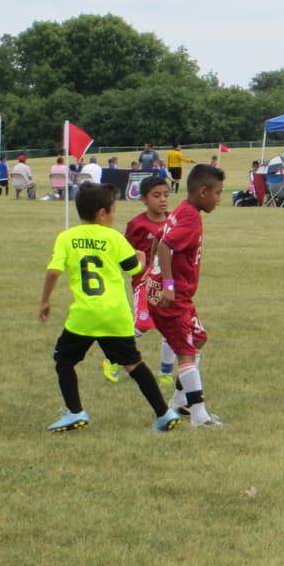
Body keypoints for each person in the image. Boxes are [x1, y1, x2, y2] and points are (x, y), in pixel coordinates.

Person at [37, 182, 181, 433]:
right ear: (102, 213)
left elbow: (53, 271)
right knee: (133, 364)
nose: (115, 215)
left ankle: (75, 412)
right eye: (114, 210)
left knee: (64, 361)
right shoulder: (114, 238)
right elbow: (134, 270)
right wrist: (140, 259)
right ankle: (163, 413)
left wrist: (45, 301)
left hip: (85, 315)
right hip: (116, 315)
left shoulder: (66, 237)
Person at [153, 163, 226, 428]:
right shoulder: (190, 217)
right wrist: (167, 284)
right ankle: (199, 416)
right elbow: (164, 245)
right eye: (217, 193)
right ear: (202, 191)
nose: (219, 199)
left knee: (198, 339)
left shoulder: (184, 210)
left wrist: (152, 273)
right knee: (186, 353)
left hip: (180, 295)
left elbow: (158, 238)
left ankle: (181, 401)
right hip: (173, 298)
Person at [102, 175, 179, 386]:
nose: (163, 200)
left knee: (171, 326)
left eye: (166, 195)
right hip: (144, 283)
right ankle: (113, 359)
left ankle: (165, 373)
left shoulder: (174, 222)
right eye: (156, 195)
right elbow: (126, 253)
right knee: (142, 325)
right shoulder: (136, 224)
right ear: (144, 199)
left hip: (169, 283)